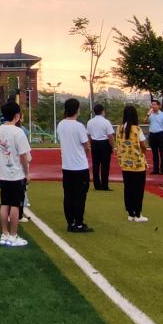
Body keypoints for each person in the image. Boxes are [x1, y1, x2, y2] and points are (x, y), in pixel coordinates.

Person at [0, 101, 31, 247]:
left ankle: (4, 234)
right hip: (16, 175)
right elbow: (23, 156)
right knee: (15, 205)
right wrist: (27, 173)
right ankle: (13, 235)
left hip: (4, 174)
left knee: (5, 204)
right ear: (17, 115)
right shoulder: (18, 132)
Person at [57, 98, 92, 233]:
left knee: (68, 195)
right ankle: (79, 223)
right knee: (80, 196)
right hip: (79, 167)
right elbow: (86, 145)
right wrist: (85, 156)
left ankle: (70, 222)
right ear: (77, 109)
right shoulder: (79, 126)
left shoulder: (61, 124)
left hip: (67, 166)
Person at [117, 105, 149, 222]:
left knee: (128, 188)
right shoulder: (137, 129)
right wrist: (143, 153)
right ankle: (138, 214)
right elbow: (143, 145)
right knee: (138, 190)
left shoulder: (119, 128)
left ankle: (130, 214)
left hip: (125, 163)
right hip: (137, 164)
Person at [87, 104, 116, 190]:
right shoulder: (106, 122)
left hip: (94, 144)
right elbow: (110, 136)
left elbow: (89, 135)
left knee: (95, 165)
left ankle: (96, 185)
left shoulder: (90, 122)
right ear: (102, 111)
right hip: (104, 144)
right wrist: (113, 147)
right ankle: (104, 185)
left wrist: (90, 145)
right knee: (105, 165)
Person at [147, 100, 163, 175]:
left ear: (159, 106)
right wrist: (148, 115)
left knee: (162, 152)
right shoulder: (150, 115)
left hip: (160, 134)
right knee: (154, 153)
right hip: (152, 135)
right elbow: (144, 122)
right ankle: (155, 169)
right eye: (152, 105)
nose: (153, 106)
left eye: (154, 104)